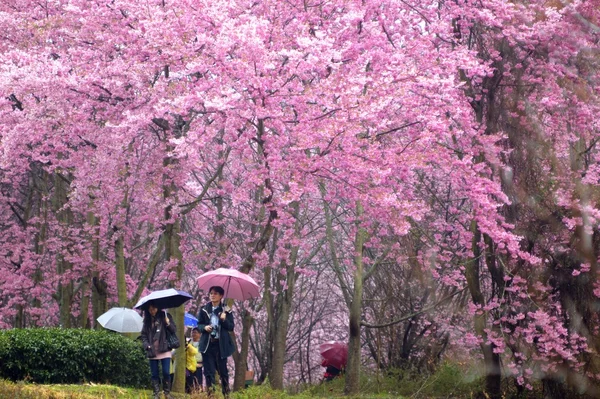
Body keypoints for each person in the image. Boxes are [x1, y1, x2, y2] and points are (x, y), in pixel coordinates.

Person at [198, 286, 235, 397]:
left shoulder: (226, 310)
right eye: (211, 293)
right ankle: (210, 395)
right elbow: (199, 324)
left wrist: (223, 320)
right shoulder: (204, 309)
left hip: (221, 346)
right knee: (209, 373)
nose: (212, 295)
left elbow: (231, 327)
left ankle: (226, 394)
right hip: (208, 345)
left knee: (223, 372)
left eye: (215, 293)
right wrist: (204, 328)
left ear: (221, 296)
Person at [140, 303, 176, 399]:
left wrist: (168, 323)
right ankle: (156, 393)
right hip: (152, 350)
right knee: (154, 373)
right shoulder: (147, 321)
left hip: (164, 349)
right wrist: (146, 345)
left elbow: (173, 330)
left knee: (166, 372)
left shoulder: (165, 316)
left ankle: (167, 392)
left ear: (158, 308)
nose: (152, 311)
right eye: (150, 309)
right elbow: (143, 335)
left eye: (154, 308)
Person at [190, 327, 204, 391]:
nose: (193, 334)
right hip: (190, 365)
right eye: (192, 332)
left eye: (195, 332)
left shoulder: (202, 343)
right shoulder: (189, 342)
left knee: (198, 381)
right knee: (190, 381)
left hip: (199, 365)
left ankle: (199, 393)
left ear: (199, 334)